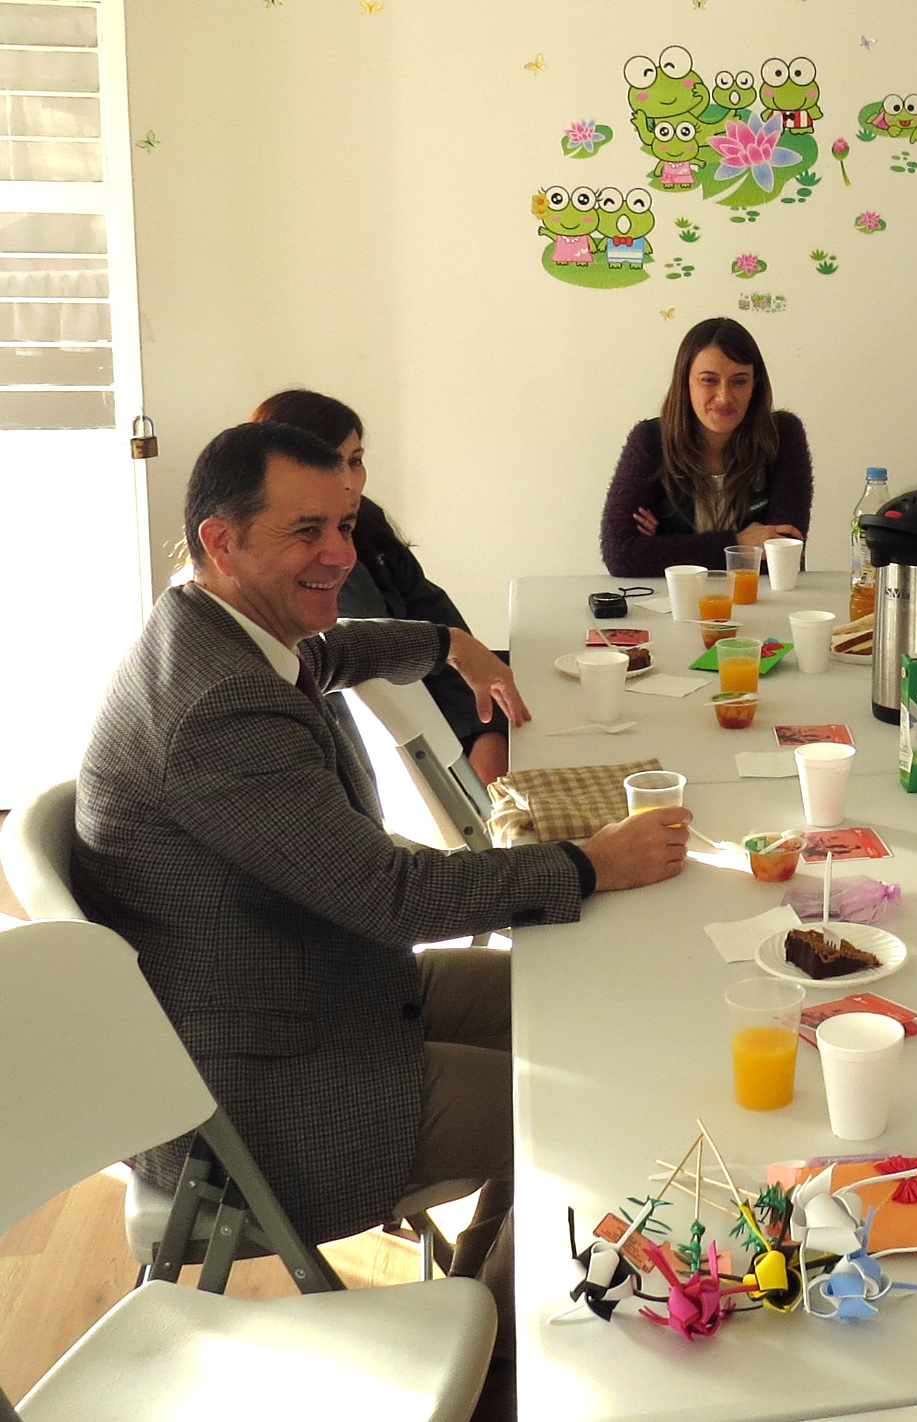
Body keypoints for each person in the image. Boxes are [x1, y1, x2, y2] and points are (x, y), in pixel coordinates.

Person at [72, 422, 693, 1321]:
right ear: (222, 538)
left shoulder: (210, 621)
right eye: (307, 531)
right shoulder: (219, 712)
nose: (338, 553)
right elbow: (393, 895)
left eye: (346, 524)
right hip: (263, 1097)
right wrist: (592, 864)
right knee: (597, 1110)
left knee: (593, 1017)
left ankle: (487, 1299)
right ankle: (510, 1354)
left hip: (303, 992)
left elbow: (336, 649)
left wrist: (446, 643)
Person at [250, 388, 512, 785]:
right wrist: (476, 736)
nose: (348, 481)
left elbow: (431, 612)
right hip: (398, 754)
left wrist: (486, 726)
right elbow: (381, 671)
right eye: (328, 464)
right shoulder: (297, 567)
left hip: (444, 720)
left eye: (355, 462)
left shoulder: (365, 519)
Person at [600, 317, 811, 577]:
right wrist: (740, 543)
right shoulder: (650, 440)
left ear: (755, 385)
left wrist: (663, 546)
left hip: (762, 602)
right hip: (673, 605)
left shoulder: (783, 435)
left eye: (739, 381)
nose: (724, 397)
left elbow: (783, 554)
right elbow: (621, 555)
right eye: (709, 380)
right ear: (685, 382)